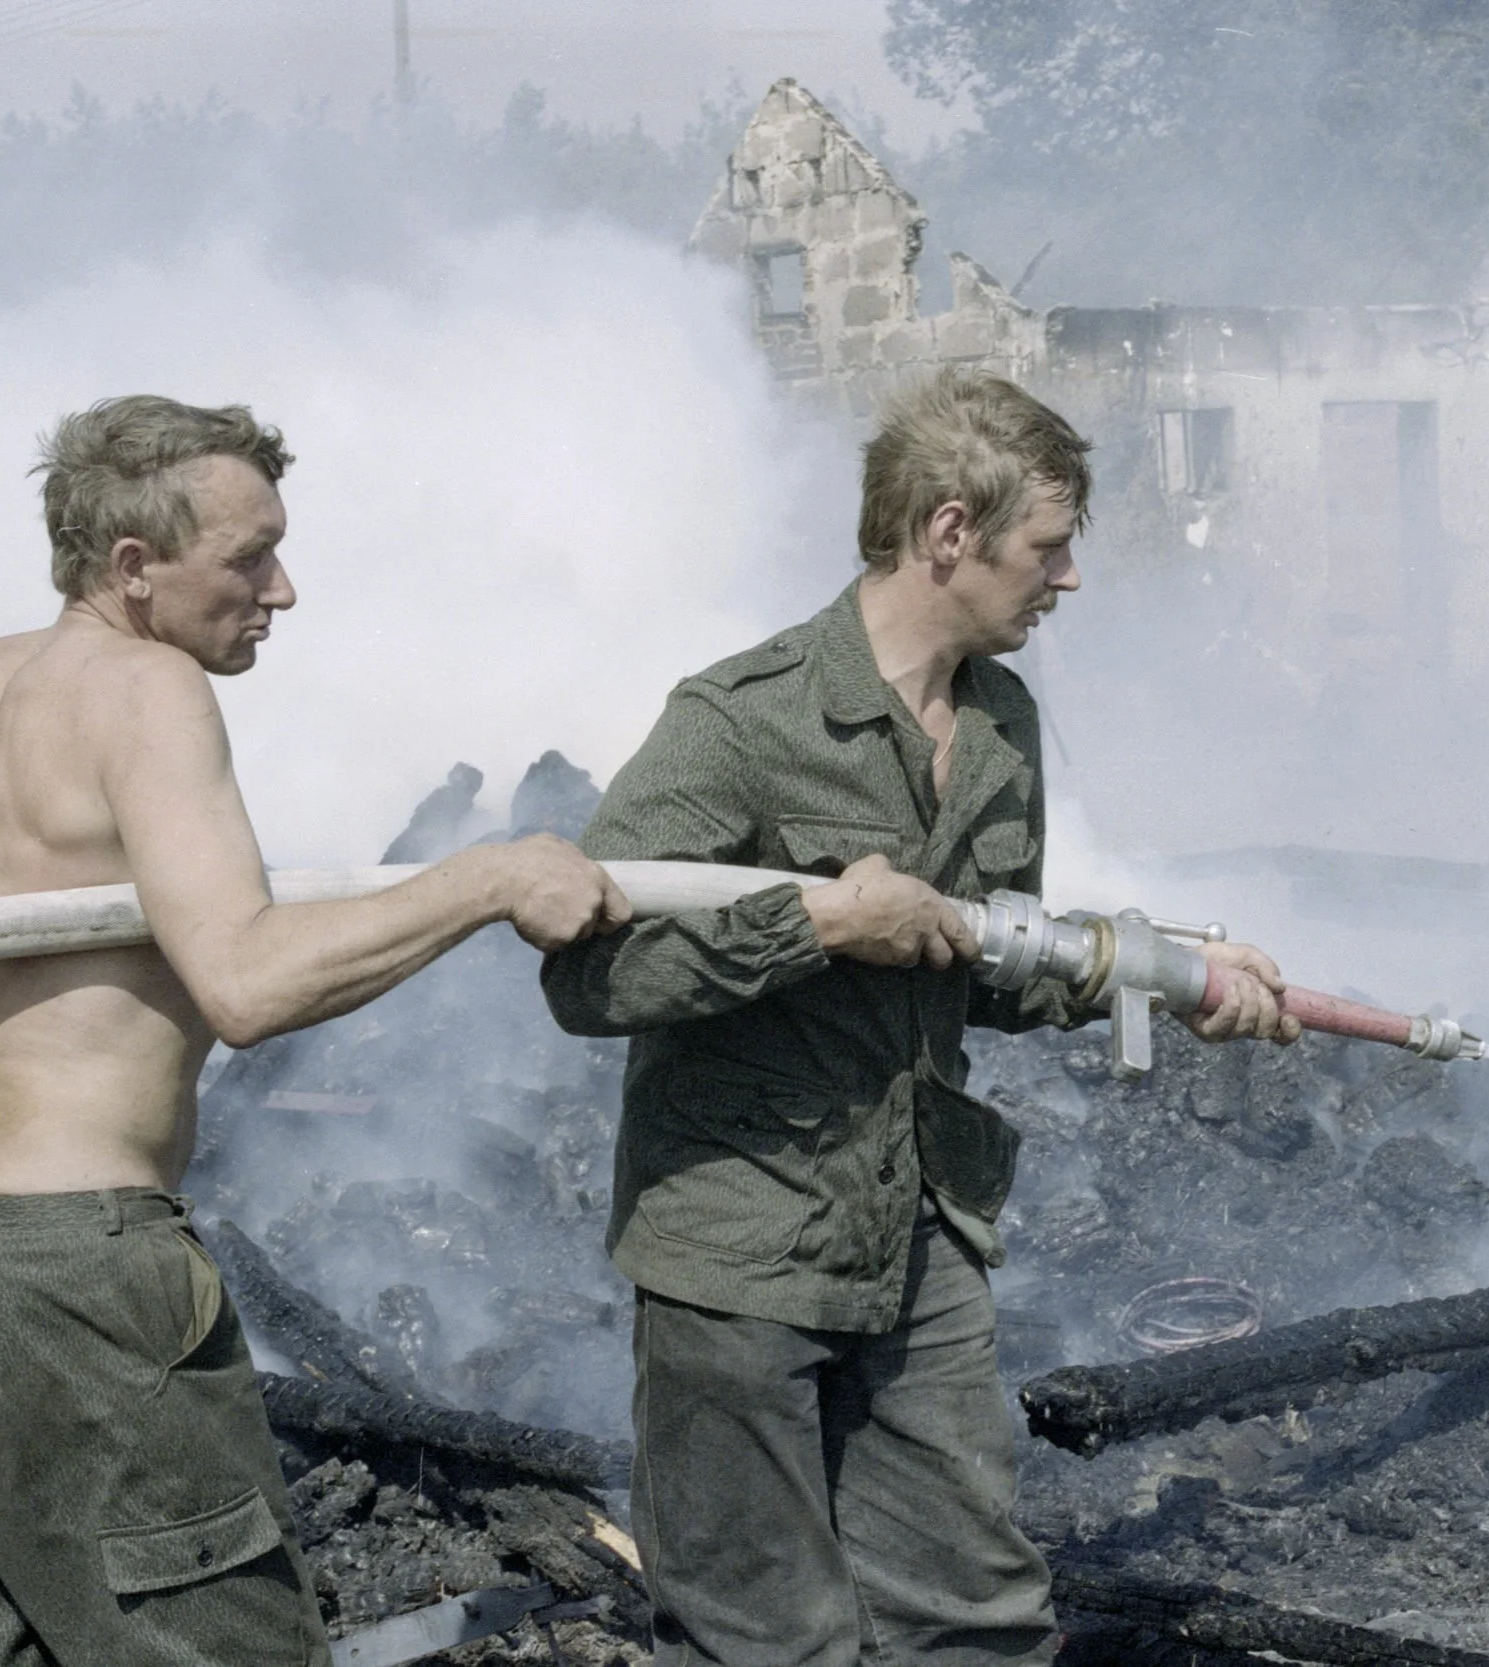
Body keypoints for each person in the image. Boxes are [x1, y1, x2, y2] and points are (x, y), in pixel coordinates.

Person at [0, 395, 629, 1666]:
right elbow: (245, 981)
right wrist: (488, 877)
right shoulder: (146, 690)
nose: (283, 589)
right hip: (77, 1287)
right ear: (134, 569)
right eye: (249, 555)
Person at [541, 368, 1299, 1667]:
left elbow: (986, 964)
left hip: (915, 1238)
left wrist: (1166, 971)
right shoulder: (741, 719)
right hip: (736, 1251)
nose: (1066, 581)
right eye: (1048, 548)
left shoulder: (999, 724)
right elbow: (587, 976)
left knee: (977, 1617)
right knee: (760, 1637)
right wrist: (824, 921)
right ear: (950, 531)